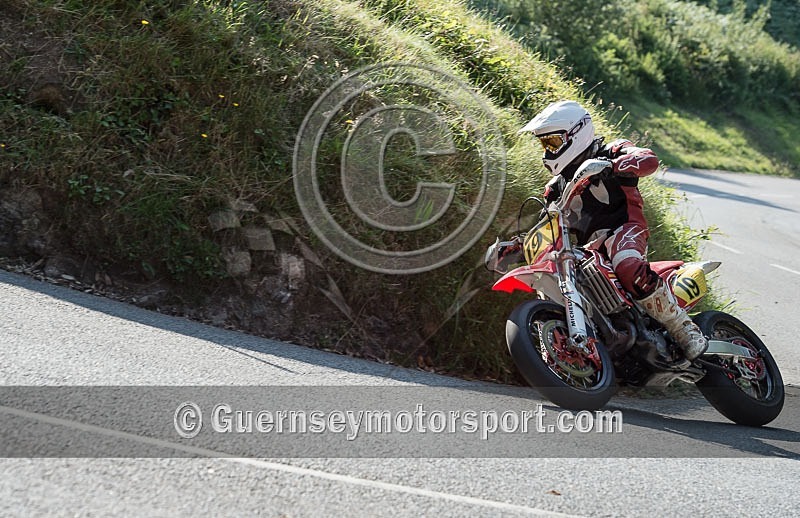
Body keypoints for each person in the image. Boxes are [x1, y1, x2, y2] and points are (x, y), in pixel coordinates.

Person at [519, 100, 708, 360]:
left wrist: (613, 165)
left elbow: (648, 159)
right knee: (550, 280)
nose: (548, 151)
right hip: (590, 251)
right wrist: (515, 246)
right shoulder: (555, 188)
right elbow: (546, 225)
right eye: (545, 144)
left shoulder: (611, 151)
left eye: (553, 142)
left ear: (576, 133)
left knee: (626, 263)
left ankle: (684, 328)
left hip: (624, 228)